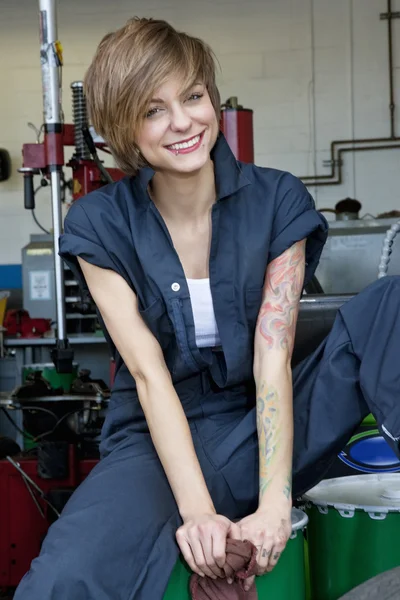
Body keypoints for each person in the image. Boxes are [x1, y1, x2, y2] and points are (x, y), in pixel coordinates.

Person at [14, 16, 400, 600]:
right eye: (153, 110)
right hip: (156, 439)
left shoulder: (277, 199)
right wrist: (197, 513)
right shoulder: (99, 223)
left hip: (268, 420)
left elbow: (273, 358)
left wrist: (273, 504)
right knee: (63, 580)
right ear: (125, 129)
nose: (183, 122)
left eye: (193, 97)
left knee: (390, 305)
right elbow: (148, 374)